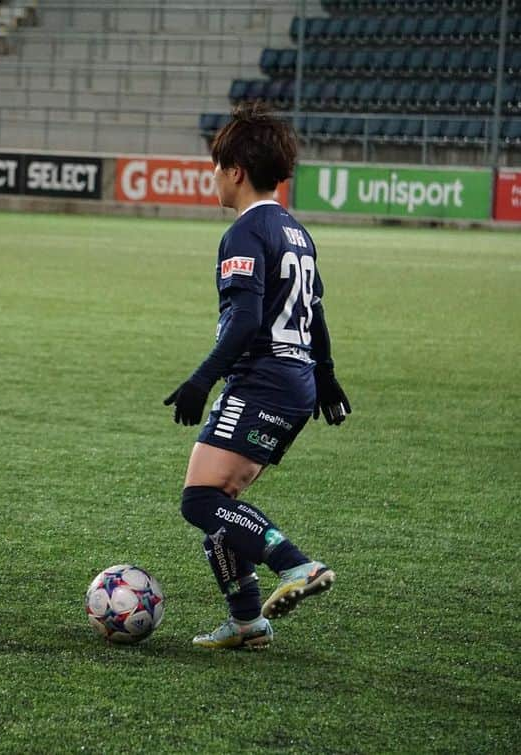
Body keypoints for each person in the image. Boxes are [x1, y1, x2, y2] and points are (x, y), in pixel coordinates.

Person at [163, 102, 352, 650]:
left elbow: (246, 320)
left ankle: (296, 565)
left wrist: (202, 379)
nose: (213, 176)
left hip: (262, 379)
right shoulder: (297, 232)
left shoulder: (244, 234)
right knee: (223, 507)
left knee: (200, 500)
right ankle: (246, 622)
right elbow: (312, 312)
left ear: (236, 171)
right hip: (296, 381)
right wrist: (328, 375)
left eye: (217, 165)